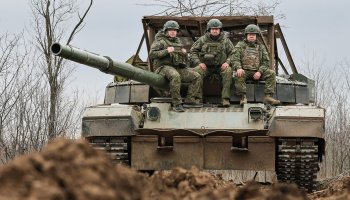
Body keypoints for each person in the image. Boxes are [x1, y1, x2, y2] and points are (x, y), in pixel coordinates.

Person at [149, 20, 201, 112]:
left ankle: (190, 100)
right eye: (170, 30)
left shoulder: (178, 42)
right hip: (162, 68)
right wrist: (166, 51)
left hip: (177, 67)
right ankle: (177, 103)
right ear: (166, 31)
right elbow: (152, 54)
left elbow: (184, 60)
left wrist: (185, 54)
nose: (173, 32)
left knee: (196, 76)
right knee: (175, 76)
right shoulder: (160, 41)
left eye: (175, 30)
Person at [232, 24, 280, 105]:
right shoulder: (240, 45)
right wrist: (238, 68)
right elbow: (235, 59)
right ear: (246, 35)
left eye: (253, 34)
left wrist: (260, 72)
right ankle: (243, 97)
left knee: (271, 73)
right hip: (244, 71)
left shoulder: (261, 47)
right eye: (250, 34)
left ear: (256, 36)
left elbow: (265, 62)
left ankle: (268, 97)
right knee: (238, 75)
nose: (251, 36)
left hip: (257, 72)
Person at [190, 18, 233, 107]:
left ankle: (225, 99)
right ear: (209, 29)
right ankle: (198, 98)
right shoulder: (202, 40)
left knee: (228, 71)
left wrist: (228, 62)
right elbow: (193, 52)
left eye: (217, 29)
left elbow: (233, 53)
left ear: (220, 30)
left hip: (221, 67)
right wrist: (199, 63)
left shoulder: (225, 41)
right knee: (196, 72)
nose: (215, 31)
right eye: (213, 29)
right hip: (206, 67)